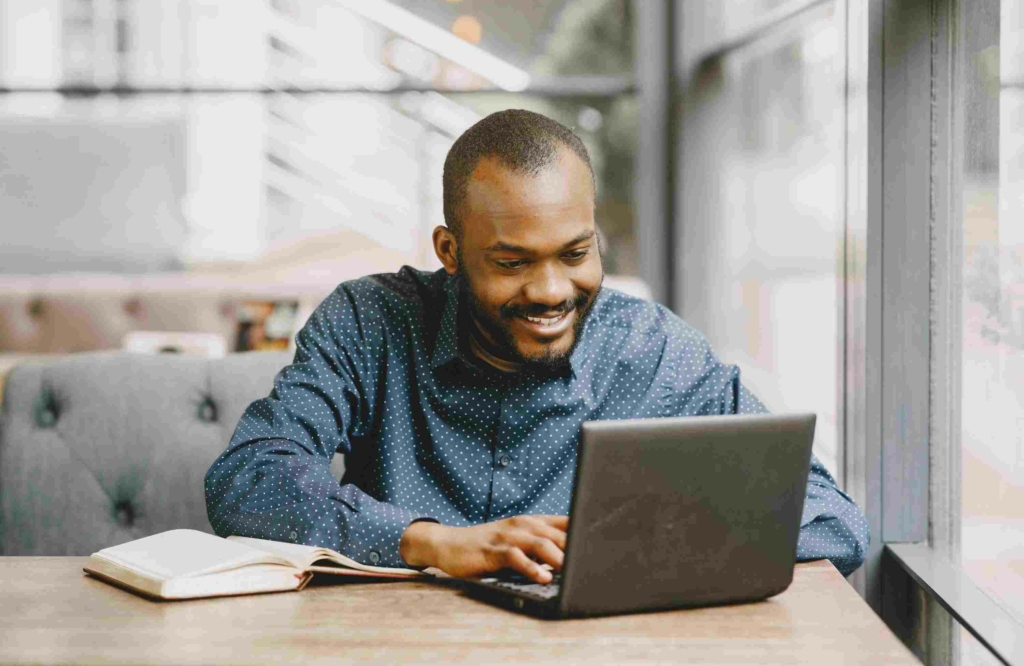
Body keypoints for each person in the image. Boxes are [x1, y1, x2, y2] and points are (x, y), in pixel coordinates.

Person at [205, 109, 869, 583]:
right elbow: (246, 479)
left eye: (575, 253)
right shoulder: (369, 321)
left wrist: (623, 548)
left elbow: (832, 521)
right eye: (513, 261)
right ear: (450, 251)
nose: (553, 290)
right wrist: (433, 542)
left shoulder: (654, 351)